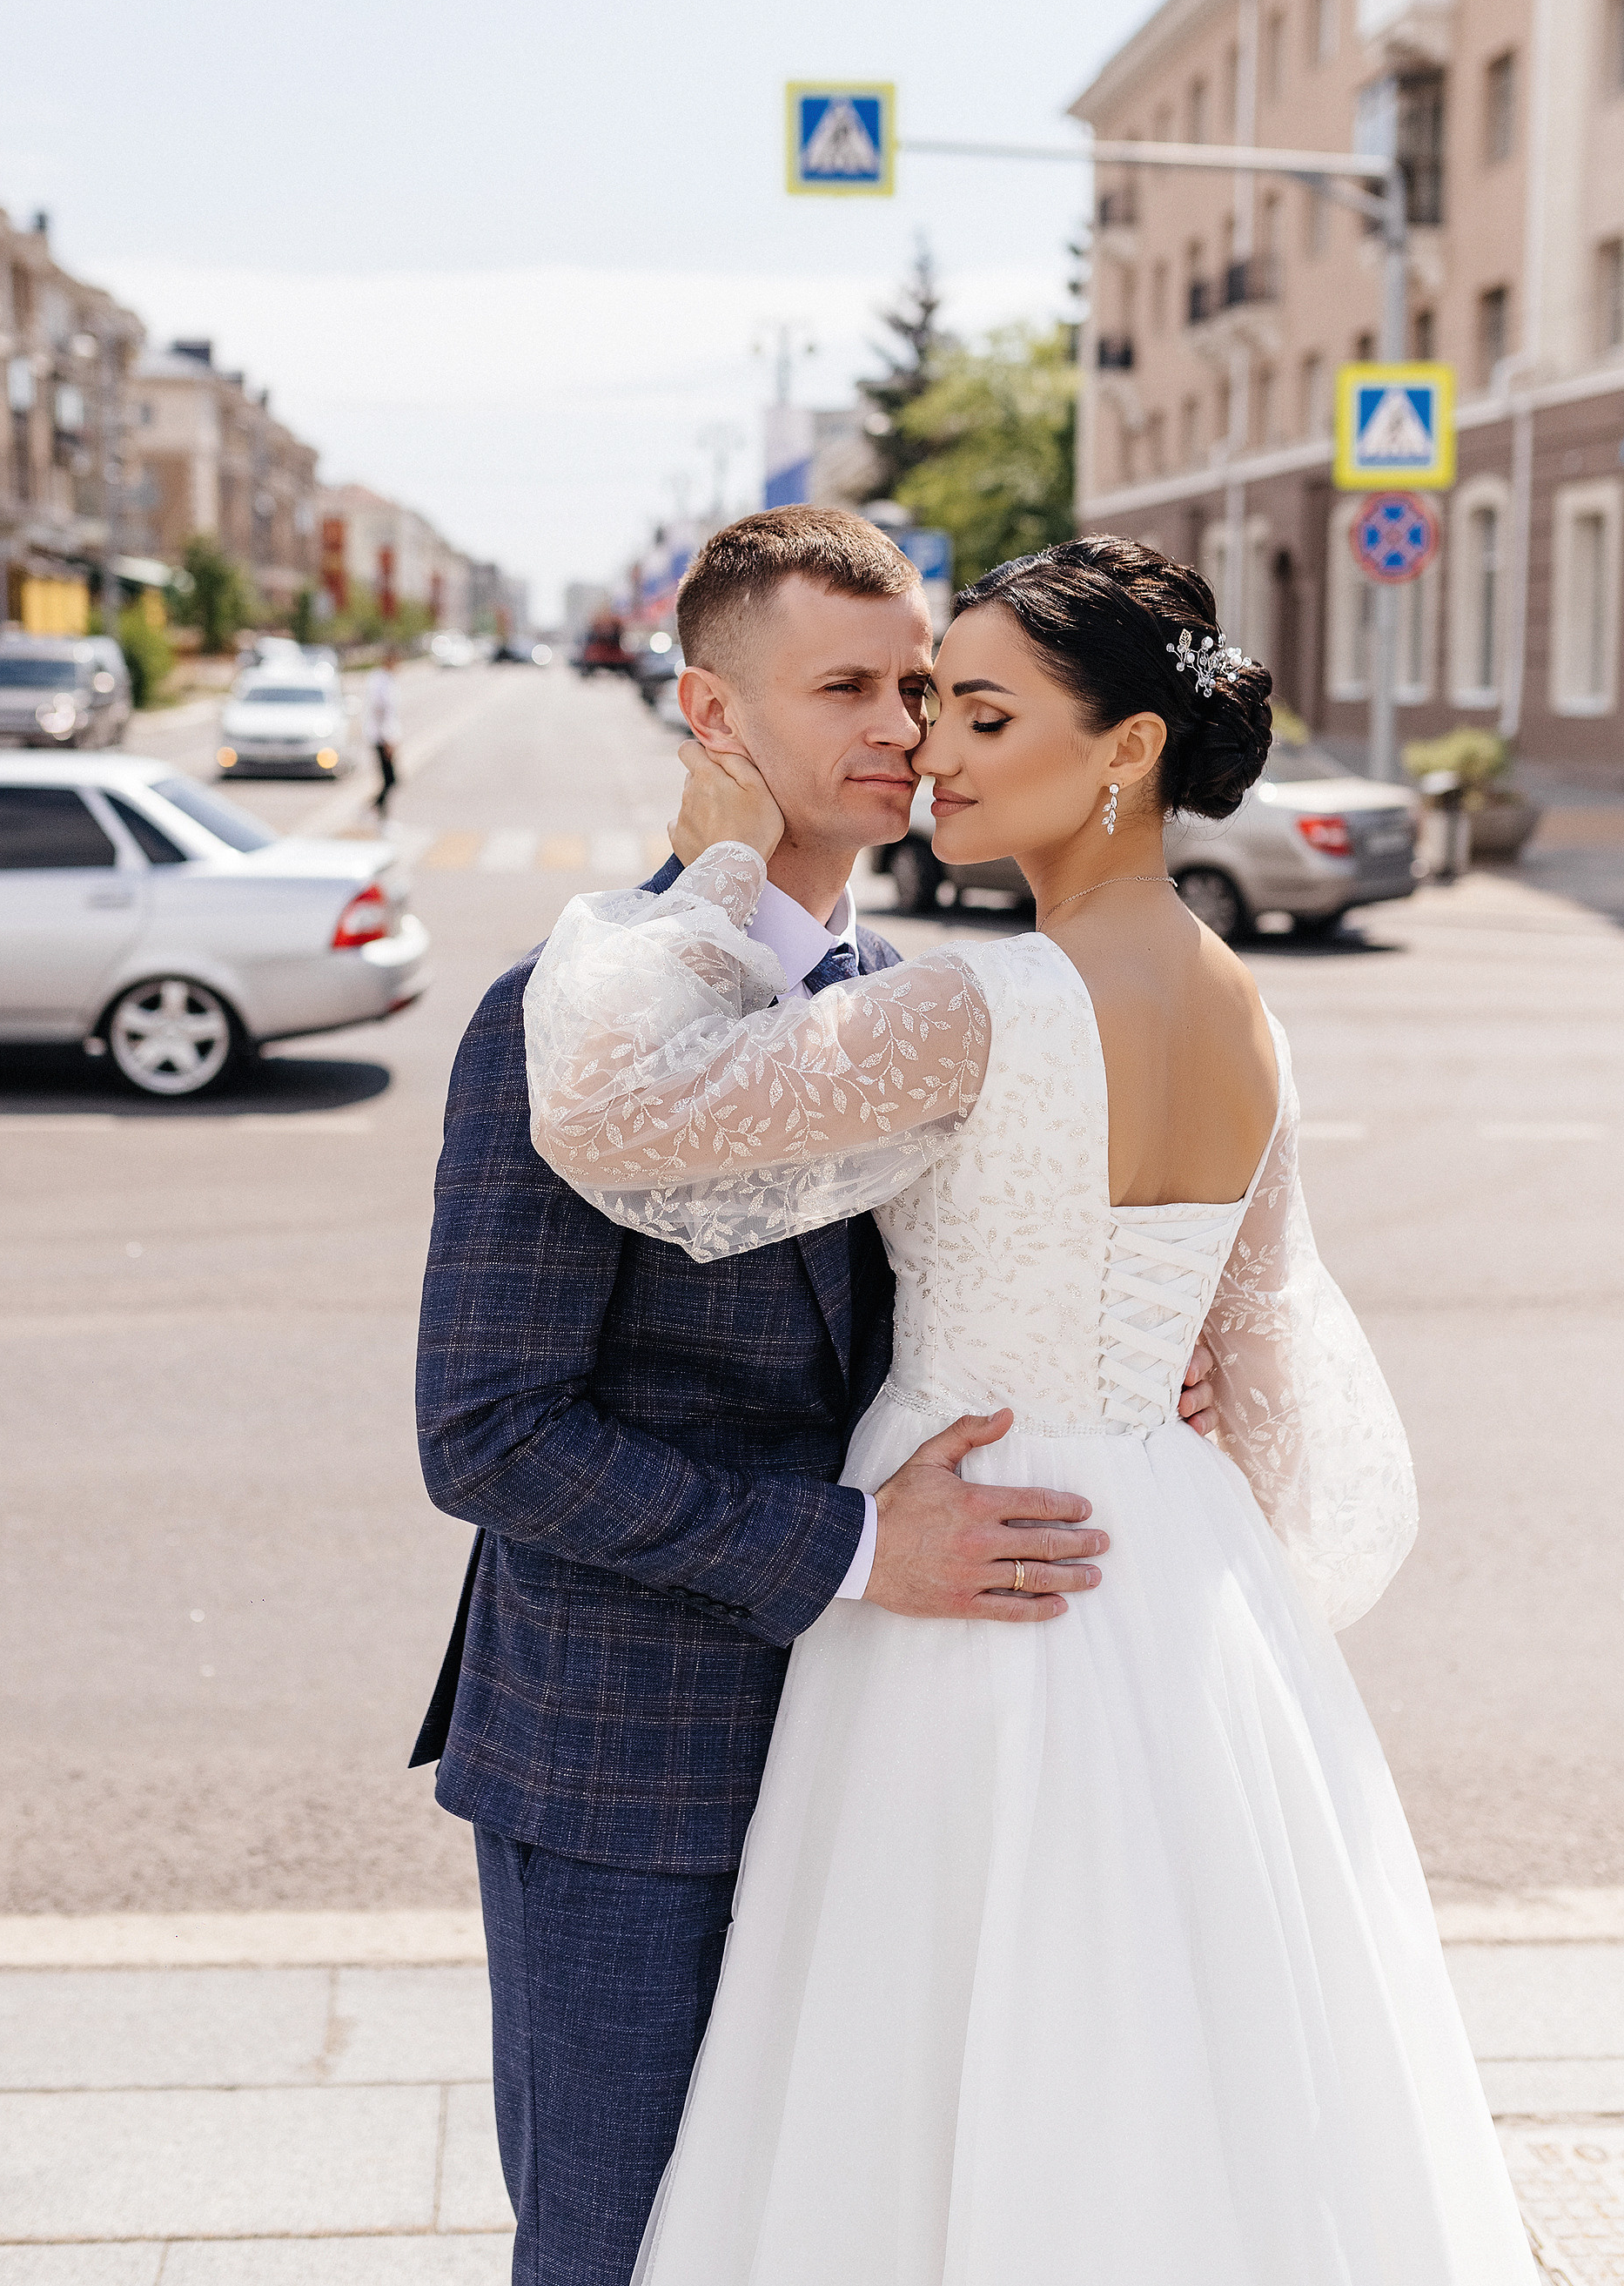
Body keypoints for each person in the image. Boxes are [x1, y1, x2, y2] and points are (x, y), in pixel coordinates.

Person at [522, 535, 1536, 2286]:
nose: (935, 749)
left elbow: (614, 1111)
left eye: (981, 711)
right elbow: (1268, 1370)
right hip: (1176, 1577)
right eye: (926, 702)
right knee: (1186, 2076)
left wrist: (713, 873)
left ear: (1123, 750)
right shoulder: (1247, 1018)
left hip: (973, 1575)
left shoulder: (980, 1004)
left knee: (934, 2074)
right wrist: (1163, 1417)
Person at [412, 508, 1220, 2286]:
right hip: (628, 1769)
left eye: (923, 685)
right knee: (621, 2253)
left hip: (906, 1750)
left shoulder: (930, 1008)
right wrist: (855, 1549)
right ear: (712, 713)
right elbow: (487, 1432)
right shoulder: (557, 1022)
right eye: (844, 683)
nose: (901, 726)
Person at [365, 646, 401, 814]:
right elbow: (380, 711)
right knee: (390, 780)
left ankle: (376, 811)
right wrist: (387, 739)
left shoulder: (386, 679)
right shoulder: (380, 681)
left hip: (384, 736)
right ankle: (375, 812)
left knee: (390, 780)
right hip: (381, 737)